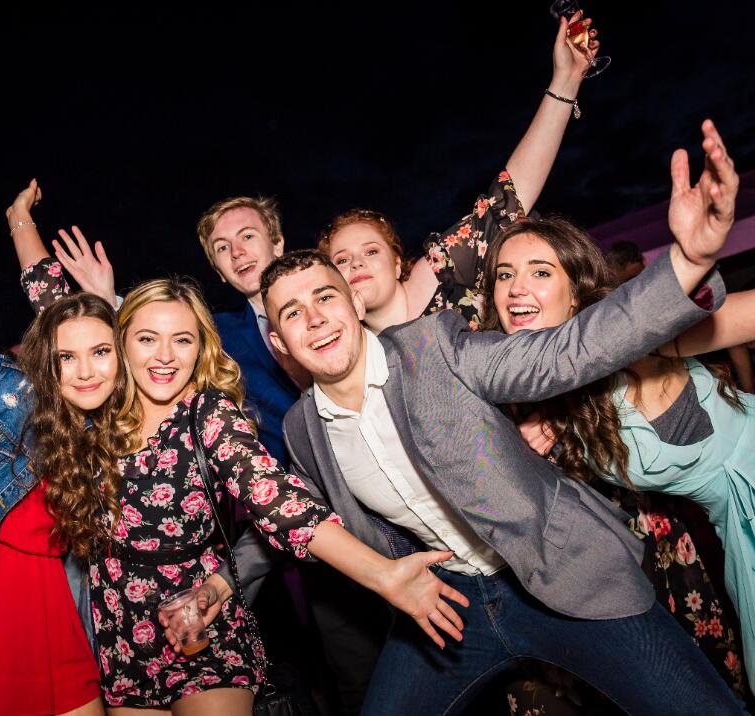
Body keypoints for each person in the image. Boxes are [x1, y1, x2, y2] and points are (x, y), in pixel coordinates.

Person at [245, 119, 746, 714]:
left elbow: (569, 351)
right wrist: (223, 583)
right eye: (294, 313)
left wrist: (686, 263)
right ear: (278, 342)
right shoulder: (304, 430)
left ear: (354, 300)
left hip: (558, 576)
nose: (317, 319)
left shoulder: (436, 346)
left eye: (326, 297)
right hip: (448, 603)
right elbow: (287, 512)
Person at [19, 231, 469, 713]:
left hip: (204, 627)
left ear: (200, 350)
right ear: (121, 344)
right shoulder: (96, 410)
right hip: (122, 637)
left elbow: (279, 501)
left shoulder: (207, 413)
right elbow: (54, 314)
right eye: (147, 339)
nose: (165, 356)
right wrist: (20, 222)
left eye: (182, 340)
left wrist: (382, 575)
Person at [486, 137, 755, 696]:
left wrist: (695, 259)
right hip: (738, 528)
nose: (516, 288)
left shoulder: (630, 337)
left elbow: (739, 316)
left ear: (576, 290)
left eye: (540, 272)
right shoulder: (527, 404)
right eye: (504, 275)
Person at [318, 11, 599, 334]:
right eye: (341, 260)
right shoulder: (350, 352)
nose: (356, 264)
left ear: (397, 264)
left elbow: (509, 195)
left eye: (370, 251)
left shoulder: (441, 271)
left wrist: (566, 79)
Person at [0, 290, 122, 715]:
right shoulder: (8, 388)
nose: (85, 371)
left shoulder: (111, 426)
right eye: (66, 357)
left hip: (56, 603)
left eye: (101, 352)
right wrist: (17, 220)